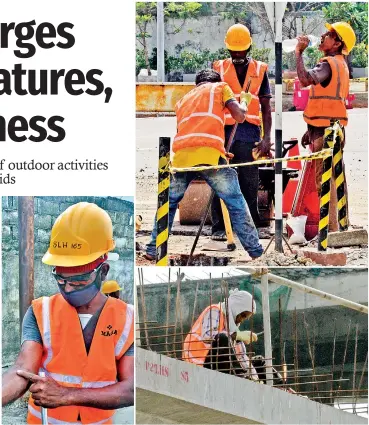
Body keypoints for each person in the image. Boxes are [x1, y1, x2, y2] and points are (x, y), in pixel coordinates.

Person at [2, 202, 134, 425]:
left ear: (103, 271)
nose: (68, 288)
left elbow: (131, 388)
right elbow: (22, 369)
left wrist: (66, 395)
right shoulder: (40, 311)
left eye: (78, 279)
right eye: (61, 279)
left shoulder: (127, 319)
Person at [145, 69, 263, 261]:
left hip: (182, 157)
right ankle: (256, 252)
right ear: (216, 80)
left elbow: (193, 132)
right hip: (209, 156)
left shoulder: (184, 100)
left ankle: (152, 248)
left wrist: (221, 151)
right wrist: (245, 102)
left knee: (168, 203)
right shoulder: (221, 87)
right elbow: (240, 117)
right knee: (236, 203)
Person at [211, 23, 273, 240]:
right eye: (233, 50)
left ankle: (251, 225)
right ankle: (219, 228)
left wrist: (266, 138)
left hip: (250, 133)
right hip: (223, 133)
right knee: (220, 179)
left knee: (249, 181)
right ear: (227, 48)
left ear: (249, 48)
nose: (237, 54)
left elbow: (266, 106)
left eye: (241, 50)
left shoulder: (260, 70)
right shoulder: (218, 68)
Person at [295, 22, 355, 232]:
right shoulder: (340, 63)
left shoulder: (328, 63)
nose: (323, 36)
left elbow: (304, 80)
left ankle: (329, 231)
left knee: (325, 180)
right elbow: (325, 99)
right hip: (331, 127)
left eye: (329, 35)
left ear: (338, 43)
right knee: (337, 176)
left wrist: (299, 53)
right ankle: (340, 225)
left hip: (326, 131)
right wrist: (310, 130)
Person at [183, 289, 259, 379]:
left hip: (217, 365)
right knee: (222, 338)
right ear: (236, 307)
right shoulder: (215, 310)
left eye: (245, 318)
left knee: (259, 362)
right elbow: (208, 335)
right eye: (242, 315)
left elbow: (241, 356)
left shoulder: (231, 328)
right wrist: (235, 335)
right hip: (199, 364)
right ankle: (240, 377)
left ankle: (278, 386)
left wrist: (255, 378)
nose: (241, 320)